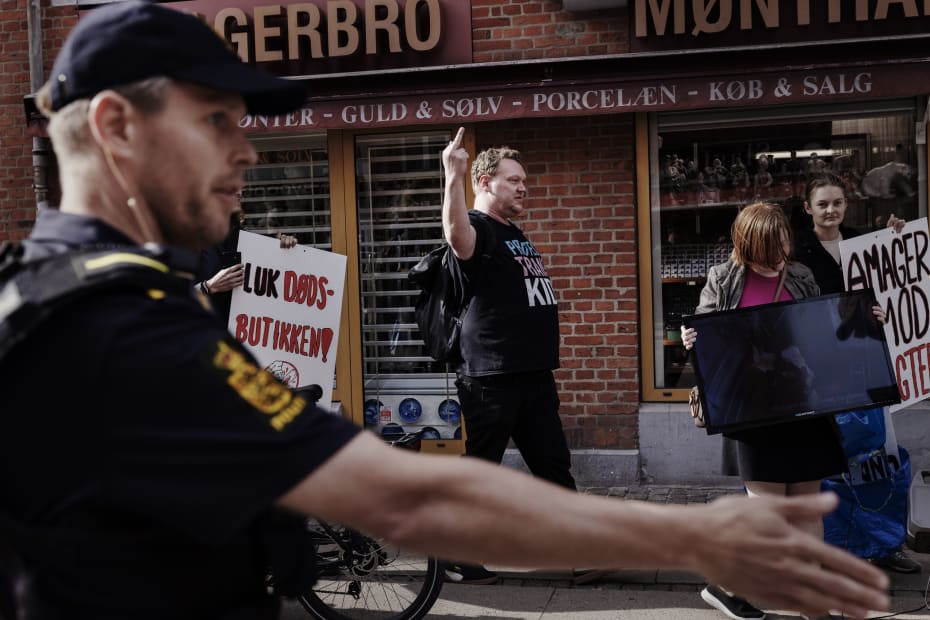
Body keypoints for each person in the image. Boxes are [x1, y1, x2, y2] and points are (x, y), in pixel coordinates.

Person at [0, 3, 891, 618]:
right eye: (218, 121)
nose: (249, 151)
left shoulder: (83, 295)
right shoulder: (110, 328)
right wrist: (696, 536)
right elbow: (408, 496)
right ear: (116, 126)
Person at [680, 202, 863, 620]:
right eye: (771, 246)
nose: (782, 252)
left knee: (806, 507)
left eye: (784, 241)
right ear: (748, 244)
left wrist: (865, 321)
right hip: (751, 409)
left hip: (802, 402)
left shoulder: (800, 275)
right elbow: (711, 339)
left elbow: (824, 331)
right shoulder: (724, 279)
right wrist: (696, 337)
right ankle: (725, 587)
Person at [441, 130, 591, 584]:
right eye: (513, 180)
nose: (523, 187)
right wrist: (453, 175)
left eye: (524, 180)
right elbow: (454, 234)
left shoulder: (514, 233)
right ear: (485, 182)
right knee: (483, 470)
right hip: (492, 375)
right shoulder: (478, 227)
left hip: (531, 372)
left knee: (552, 463)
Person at [794, 172, 919, 575]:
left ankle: (884, 545)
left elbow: (892, 286)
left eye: (837, 203)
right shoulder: (796, 252)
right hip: (823, 374)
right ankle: (837, 547)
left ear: (847, 205)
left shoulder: (865, 243)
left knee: (878, 459)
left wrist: (896, 241)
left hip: (869, 365)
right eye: (823, 204)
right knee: (831, 464)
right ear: (808, 209)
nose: (831, 210)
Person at [195, 207, 297, 325]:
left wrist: (287, 250)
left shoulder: (251, 245)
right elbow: (175, 296)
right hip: (208, 328)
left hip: (244, 330)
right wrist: (208, 286)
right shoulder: (191, 244)